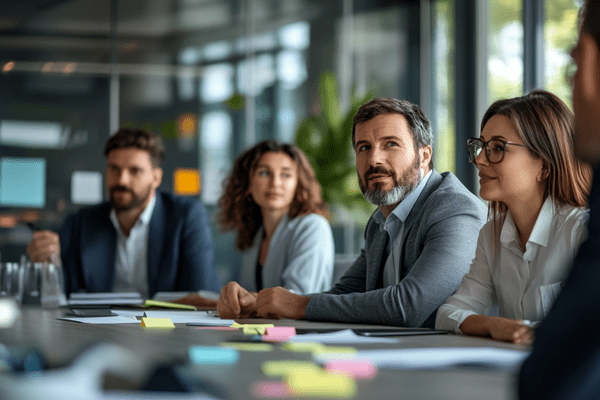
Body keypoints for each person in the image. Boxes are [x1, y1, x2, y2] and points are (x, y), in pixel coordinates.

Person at [217, 97, 487, 328]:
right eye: (364, 148)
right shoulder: (380, 220)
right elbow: (342, 294)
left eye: (390, 144)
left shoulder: (455, 210)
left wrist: (296, 304)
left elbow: (408, 305)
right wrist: (262, 302)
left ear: (424, 156)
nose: (374, 160)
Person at [435, 90, 591, 344]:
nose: (480, 160)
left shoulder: (582, 231)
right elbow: (449, 313)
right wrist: (494, 325)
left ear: (544, 165)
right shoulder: (491, 235)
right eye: (481, 147)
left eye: (497, 148)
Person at [27, 128, 220, 298]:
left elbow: (202, 296)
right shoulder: (82, 222)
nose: (122, 180)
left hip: (166, 330)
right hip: (98, 331)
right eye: (114, 169)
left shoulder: (186, 217)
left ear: (156, 177)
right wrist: (48, 265)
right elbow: (64, 294)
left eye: (135, 171)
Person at [519, 1, 600, 398]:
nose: (481, 160)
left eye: (575, 63)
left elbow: (551, 381)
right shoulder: (492, 228)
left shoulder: (578, 224)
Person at [217, 140, 334, 296]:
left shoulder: (313, 227)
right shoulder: (255, 234)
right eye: (264, 173)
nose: (275, 183)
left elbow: (296, 299)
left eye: (286, 174)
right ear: (247, 184)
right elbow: (243, 295)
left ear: (298, 183)